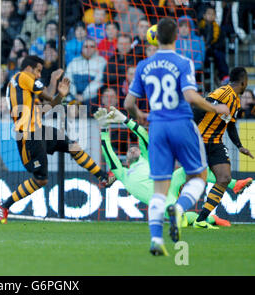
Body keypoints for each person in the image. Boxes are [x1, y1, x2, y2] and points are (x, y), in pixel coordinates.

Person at [124, 17, 230, 256]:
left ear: (155, 37)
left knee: (159, 188)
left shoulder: (144, 65)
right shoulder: (183, 62)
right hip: (181, 123)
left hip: (157, 127)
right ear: (175, 38)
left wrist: (139, 114)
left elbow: (128, 102)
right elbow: (191, 97)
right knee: (199, 177)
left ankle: (155, 240)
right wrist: (217, 108)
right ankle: (180, 208)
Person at [0, 55, 115, 224]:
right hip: (28, 135)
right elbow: (49, 95)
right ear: (29, 68)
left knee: (73, 147)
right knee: (41, 179)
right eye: (38, 71)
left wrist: (61, 96)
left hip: (39, 130)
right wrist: (53, 79)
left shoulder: (24, 91)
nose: (38, 75)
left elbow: (45, 108)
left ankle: (103, 176)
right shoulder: (23, 77)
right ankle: (4, 205)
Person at [94, 106, 252, 227]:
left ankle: (235, 184)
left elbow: (142, 133)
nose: (132, 149)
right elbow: (108, 151)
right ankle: (211, 218)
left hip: (169, 183)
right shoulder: (122, 173)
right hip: (163, 200)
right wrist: (104, 128)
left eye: (134, 148)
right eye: (130, 150)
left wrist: (123, 119)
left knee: (192, 168)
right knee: (180, 220)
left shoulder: (147, 159)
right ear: (126, 161)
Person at [193, 67, 254, 228]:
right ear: (243, 82)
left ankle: (201, 220)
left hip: (215, 144)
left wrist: (240, 146)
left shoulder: (235, 100)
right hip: (200, 141)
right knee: (188, 178)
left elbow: (231, 126)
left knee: (224, 178)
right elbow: (200, 108)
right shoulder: (223, 93)